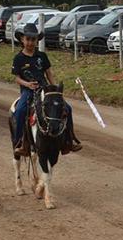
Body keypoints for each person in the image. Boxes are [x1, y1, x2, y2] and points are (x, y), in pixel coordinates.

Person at [11, 23, 81, 155]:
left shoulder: (42, 56)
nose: (30, 42)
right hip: (28, 90)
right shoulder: (18, 58)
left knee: (67, 108)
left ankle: (69, 140)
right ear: (22, 40)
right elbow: (17, 78)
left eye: (33, 39)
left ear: (37, 40)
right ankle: (20, 142)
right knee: (20, 111)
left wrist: (55, 89)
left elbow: (48, 73)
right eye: (28, 39)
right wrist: (27, 84)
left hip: (45, 89)